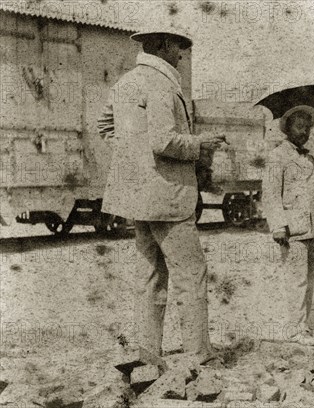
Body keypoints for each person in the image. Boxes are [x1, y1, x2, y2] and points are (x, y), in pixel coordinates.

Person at [97, 28, 226, 358]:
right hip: (168, 197)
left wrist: (134, 158)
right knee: (191, 273)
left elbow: (105, 128)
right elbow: (164, 141)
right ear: (160, 45)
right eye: (177, 46)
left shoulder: (125, 83)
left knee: (150, 276)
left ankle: (148, 353)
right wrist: (200, 144)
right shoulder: (162, 85)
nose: (181, 54)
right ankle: (199, 354)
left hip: (138, 197)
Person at [261, 105, 314, 346]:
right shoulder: (278, 157)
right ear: (288, 129)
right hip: (292, 230)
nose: (304, 131)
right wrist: (278, 225)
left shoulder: (311, 158)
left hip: (312, 226)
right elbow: (271, 194)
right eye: (299, 126)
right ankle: (295, 328)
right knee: (297, 279)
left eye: (308, 127)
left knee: (311, 277)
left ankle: (302, 325)